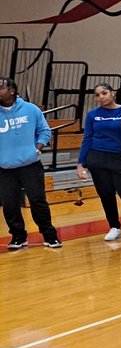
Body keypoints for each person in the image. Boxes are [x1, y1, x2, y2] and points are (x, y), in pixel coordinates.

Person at [0, 77, 60, 250]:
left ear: (11, 90)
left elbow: (44, 131)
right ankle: (18, 237)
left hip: (30, 165)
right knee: (10, 204)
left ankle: (50, 235)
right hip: (5, 168)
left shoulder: (31, 109)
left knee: (37, 201)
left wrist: (38, 147)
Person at [76, 83, 121, 242]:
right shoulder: (92, 115)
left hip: (119, 157)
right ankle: (114, 226)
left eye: (104, 93)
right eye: (97, 95)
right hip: (96, 157)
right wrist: (80, 163)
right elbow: (87, 138)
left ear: (113, 93)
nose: (101, 97)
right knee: (105, 194)